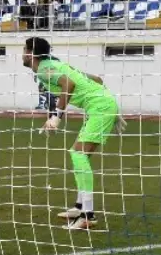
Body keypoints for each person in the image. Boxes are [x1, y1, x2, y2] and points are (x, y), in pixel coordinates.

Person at [24, 36, 125, 230]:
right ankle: (80, 208)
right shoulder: (54, 64)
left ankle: (88, 216)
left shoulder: (45, 69)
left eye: (24, 50)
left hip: (99, 107)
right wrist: (113, 108)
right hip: (101, 105)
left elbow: (68, 85)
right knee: (80, 155)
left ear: (31, 54)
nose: (22, 55)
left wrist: (57, 118)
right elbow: (97, 79)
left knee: (78, 154)